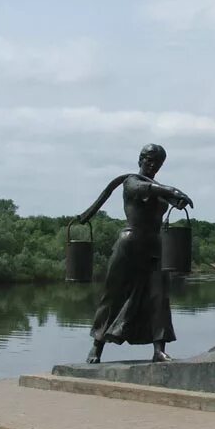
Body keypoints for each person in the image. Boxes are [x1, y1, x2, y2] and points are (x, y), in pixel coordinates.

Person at [78, 143, 193, 364]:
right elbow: (144, 190)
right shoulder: (132, 181)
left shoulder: (157, 186)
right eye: (149, 159)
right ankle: (97, 346)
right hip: (130, 244)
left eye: (157, 162)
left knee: (159, 297)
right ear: (140, 159)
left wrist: (176, 200)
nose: (152, 165)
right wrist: (171, 191)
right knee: (114, 294)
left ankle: (159, 350)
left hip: (155, 246)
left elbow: (166, 196)